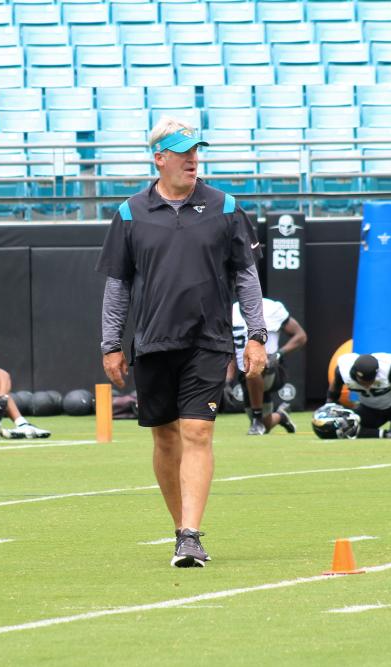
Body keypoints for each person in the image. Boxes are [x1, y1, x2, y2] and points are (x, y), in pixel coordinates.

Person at [96, 117, 267, 568]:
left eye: (196, 151)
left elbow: (247, 279)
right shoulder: (130, 213)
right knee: (166, 439)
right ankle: (179, 529)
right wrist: (110, 344)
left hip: (208, 341)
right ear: (160, 158)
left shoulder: (226, 207)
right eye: (183, 151)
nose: (193, 159)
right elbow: (118, 285)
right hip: (152, 343)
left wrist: (256, 336)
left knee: (197, 430)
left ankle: (191, 534)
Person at [229, 297, 307, 435]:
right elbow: (230, 351)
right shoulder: (231, 312)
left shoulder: (271, 307)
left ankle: (257, 421)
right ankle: (280, 416)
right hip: (246, 375)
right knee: (266, 425)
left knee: (255, 362)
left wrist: (278, 354)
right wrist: (227, 381)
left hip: (272, 368)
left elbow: (300, 336)